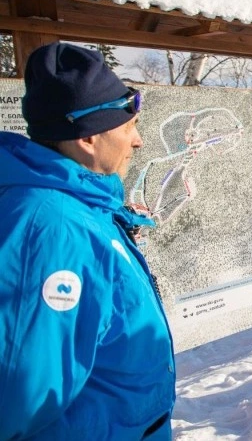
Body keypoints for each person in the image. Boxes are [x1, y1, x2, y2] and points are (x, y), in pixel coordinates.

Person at [0, 43, 175, 439]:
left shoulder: (85, 207)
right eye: (128, 126)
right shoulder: (50, 227)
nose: (139, 141)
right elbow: (18, 399)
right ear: (88, 138)